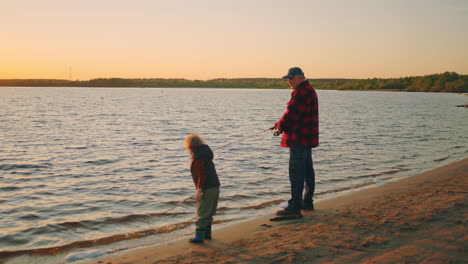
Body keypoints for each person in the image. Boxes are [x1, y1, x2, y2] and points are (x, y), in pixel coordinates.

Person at [273, 67, 319, 218]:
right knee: (307, 171)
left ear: (301, 77)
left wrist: (279, 126)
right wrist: (280, 125)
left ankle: (295, 207)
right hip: (306, 139)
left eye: (291, 78)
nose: (289, 81)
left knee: (296, 172)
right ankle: (307, 202)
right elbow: (294, 116)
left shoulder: (301, 92)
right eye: (288, 78)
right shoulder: (310, 90)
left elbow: (291, 115)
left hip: (299, 139)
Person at [185, 134, 220, 243]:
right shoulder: (205, 153)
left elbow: (202, 175)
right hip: (215, 187)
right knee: (209, 213)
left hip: (207, 188)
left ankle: (199, 237)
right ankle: (207, 234)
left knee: (202, 213)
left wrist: (199, 191)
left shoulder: (199, 158)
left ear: (190, 147)